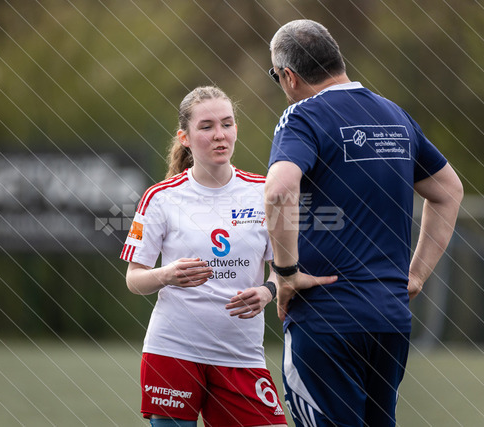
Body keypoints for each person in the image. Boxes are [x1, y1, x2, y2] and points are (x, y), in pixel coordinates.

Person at [263, 20, 463, 426]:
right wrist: (416, 275)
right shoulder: (394, 115)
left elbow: (279, 190)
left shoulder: (303, 116)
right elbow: (449, 189)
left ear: (289, 76)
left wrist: (285, 273)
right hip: (389, 318)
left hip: (326, 318)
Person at [120, 86, 287, 427]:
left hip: (241, 355)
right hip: (173, 351)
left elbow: (285, 269)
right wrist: (166, 275)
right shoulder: (160, 198)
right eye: (206, 126)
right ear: (185, 137)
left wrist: (268, 291)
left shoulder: (264, 192)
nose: (219, 135)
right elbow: (134, 279)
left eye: (227, 124)